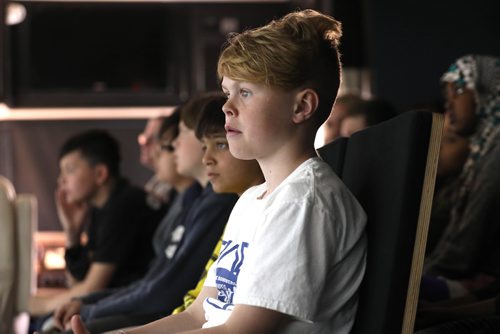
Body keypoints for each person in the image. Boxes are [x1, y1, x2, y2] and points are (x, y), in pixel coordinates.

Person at [70, 9, 367, 334]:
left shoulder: (304, 202)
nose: (227, 106)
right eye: (228, 92)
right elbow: (198, 316)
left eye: (246, 92)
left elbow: (237, 332)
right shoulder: (253, 200)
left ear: (301, 107)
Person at [48, 94, 239, 334]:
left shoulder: (216, 201)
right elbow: (155, 282)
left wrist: (89, 307)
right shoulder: (199, 200)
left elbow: (166, 290)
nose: (168, 147)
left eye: (218, 143)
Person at [29, 130, 163, 318]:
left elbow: (91, 288)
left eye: (70, 170)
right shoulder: (102, 209)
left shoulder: (124, 206)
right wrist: (72, 233)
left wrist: (40, 305)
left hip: (141, 309)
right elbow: (78, 284)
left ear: (100, 173)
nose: (61, 181)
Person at [171, 90, 264, 315]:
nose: (206, 159)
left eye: (221, 145)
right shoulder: (242, 208)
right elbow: (197, 308)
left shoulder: (289, 207)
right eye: (204, 147)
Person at [421, 54, 500, 303]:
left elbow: (466, 244)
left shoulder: (496, 153)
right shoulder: (484, 148)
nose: (449, 104)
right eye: (447, 96)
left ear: (484, 90)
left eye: (458, 90)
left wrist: (420, 277)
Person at [138, 116, 173, 209]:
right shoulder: (157, 181)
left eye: (151, 138)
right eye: (144, 137)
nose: (144, 143)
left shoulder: (173, 185)